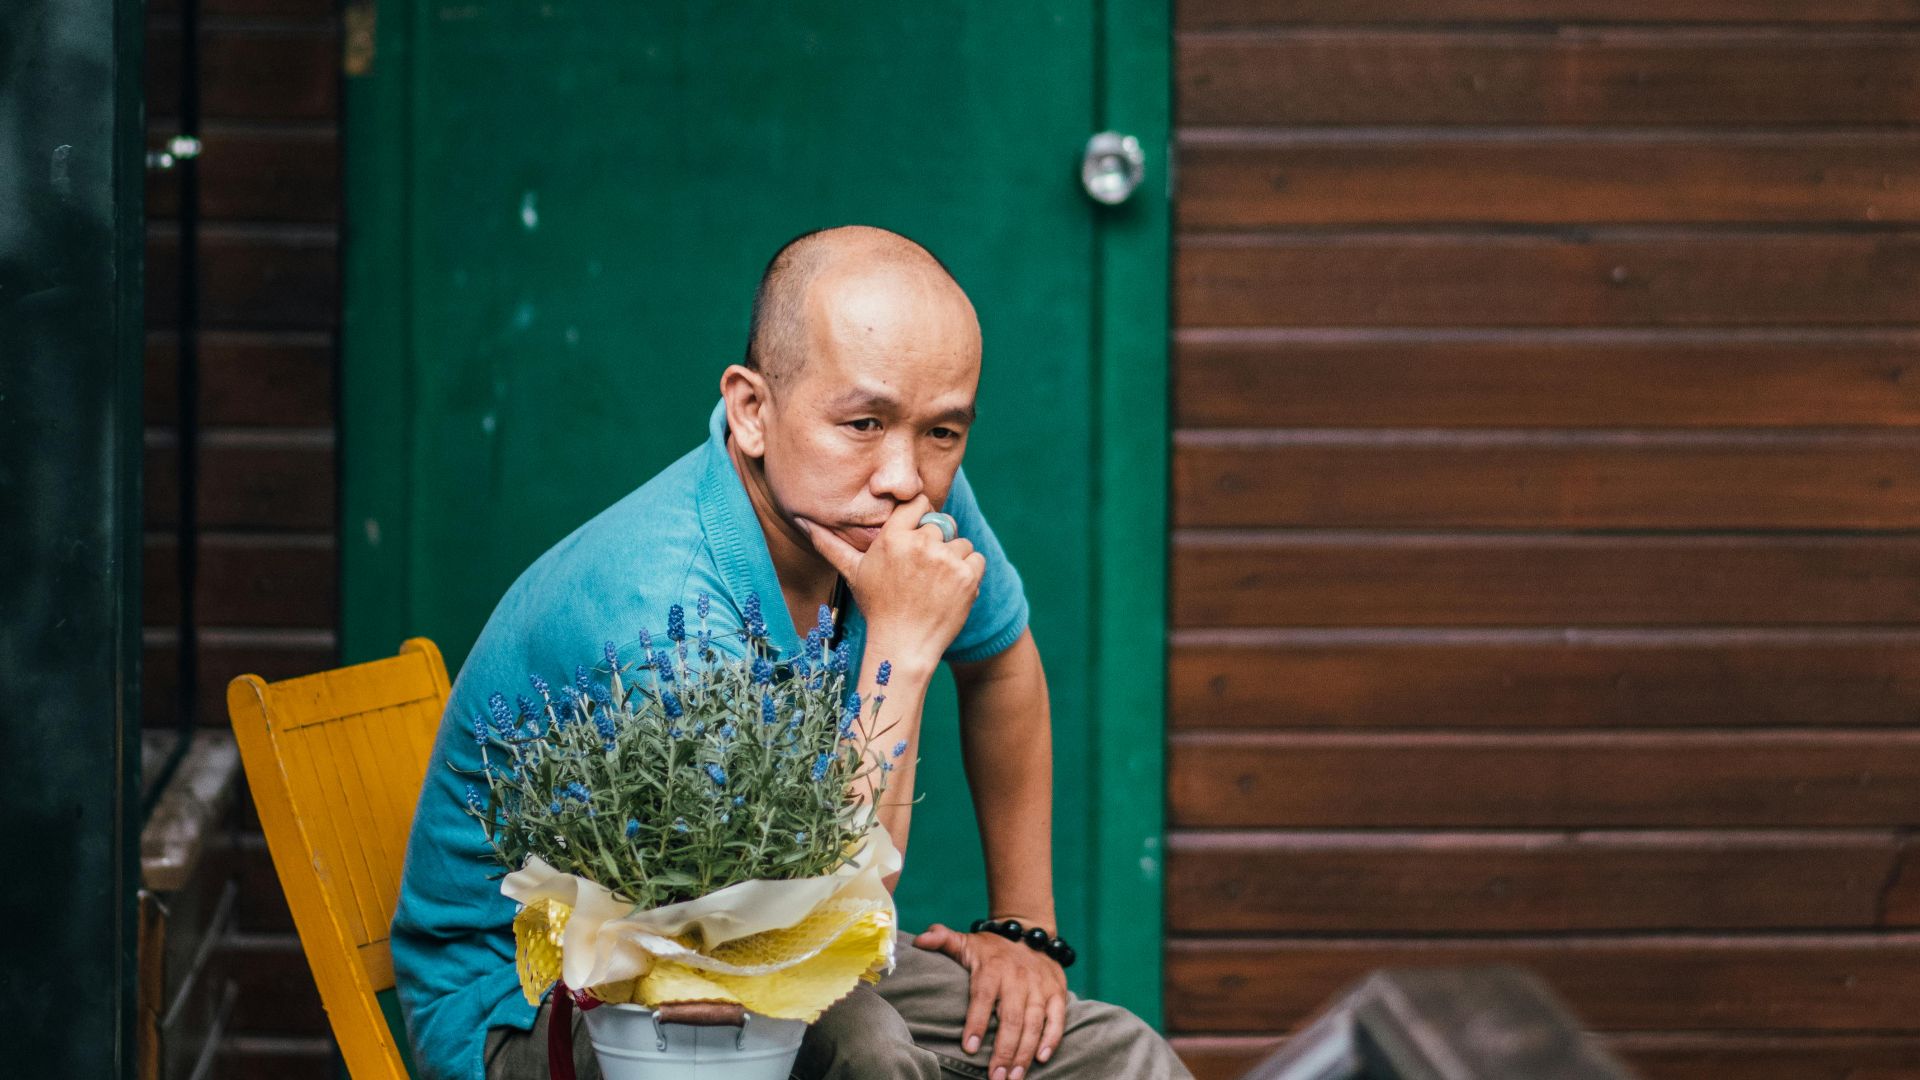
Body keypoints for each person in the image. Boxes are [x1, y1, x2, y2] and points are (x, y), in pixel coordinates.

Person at [390, 225, 1194, 1080]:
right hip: (547, 999)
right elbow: (808, 908)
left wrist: (1021, 930)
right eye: (862, 422)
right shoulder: (665, 609)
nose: (905, 478)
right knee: (869, 1056)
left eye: (944, 433)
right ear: (752, 410)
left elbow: (1000, 660)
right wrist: (902, 648)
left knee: (1112, 1055)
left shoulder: (893, 491)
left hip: (762, 950)